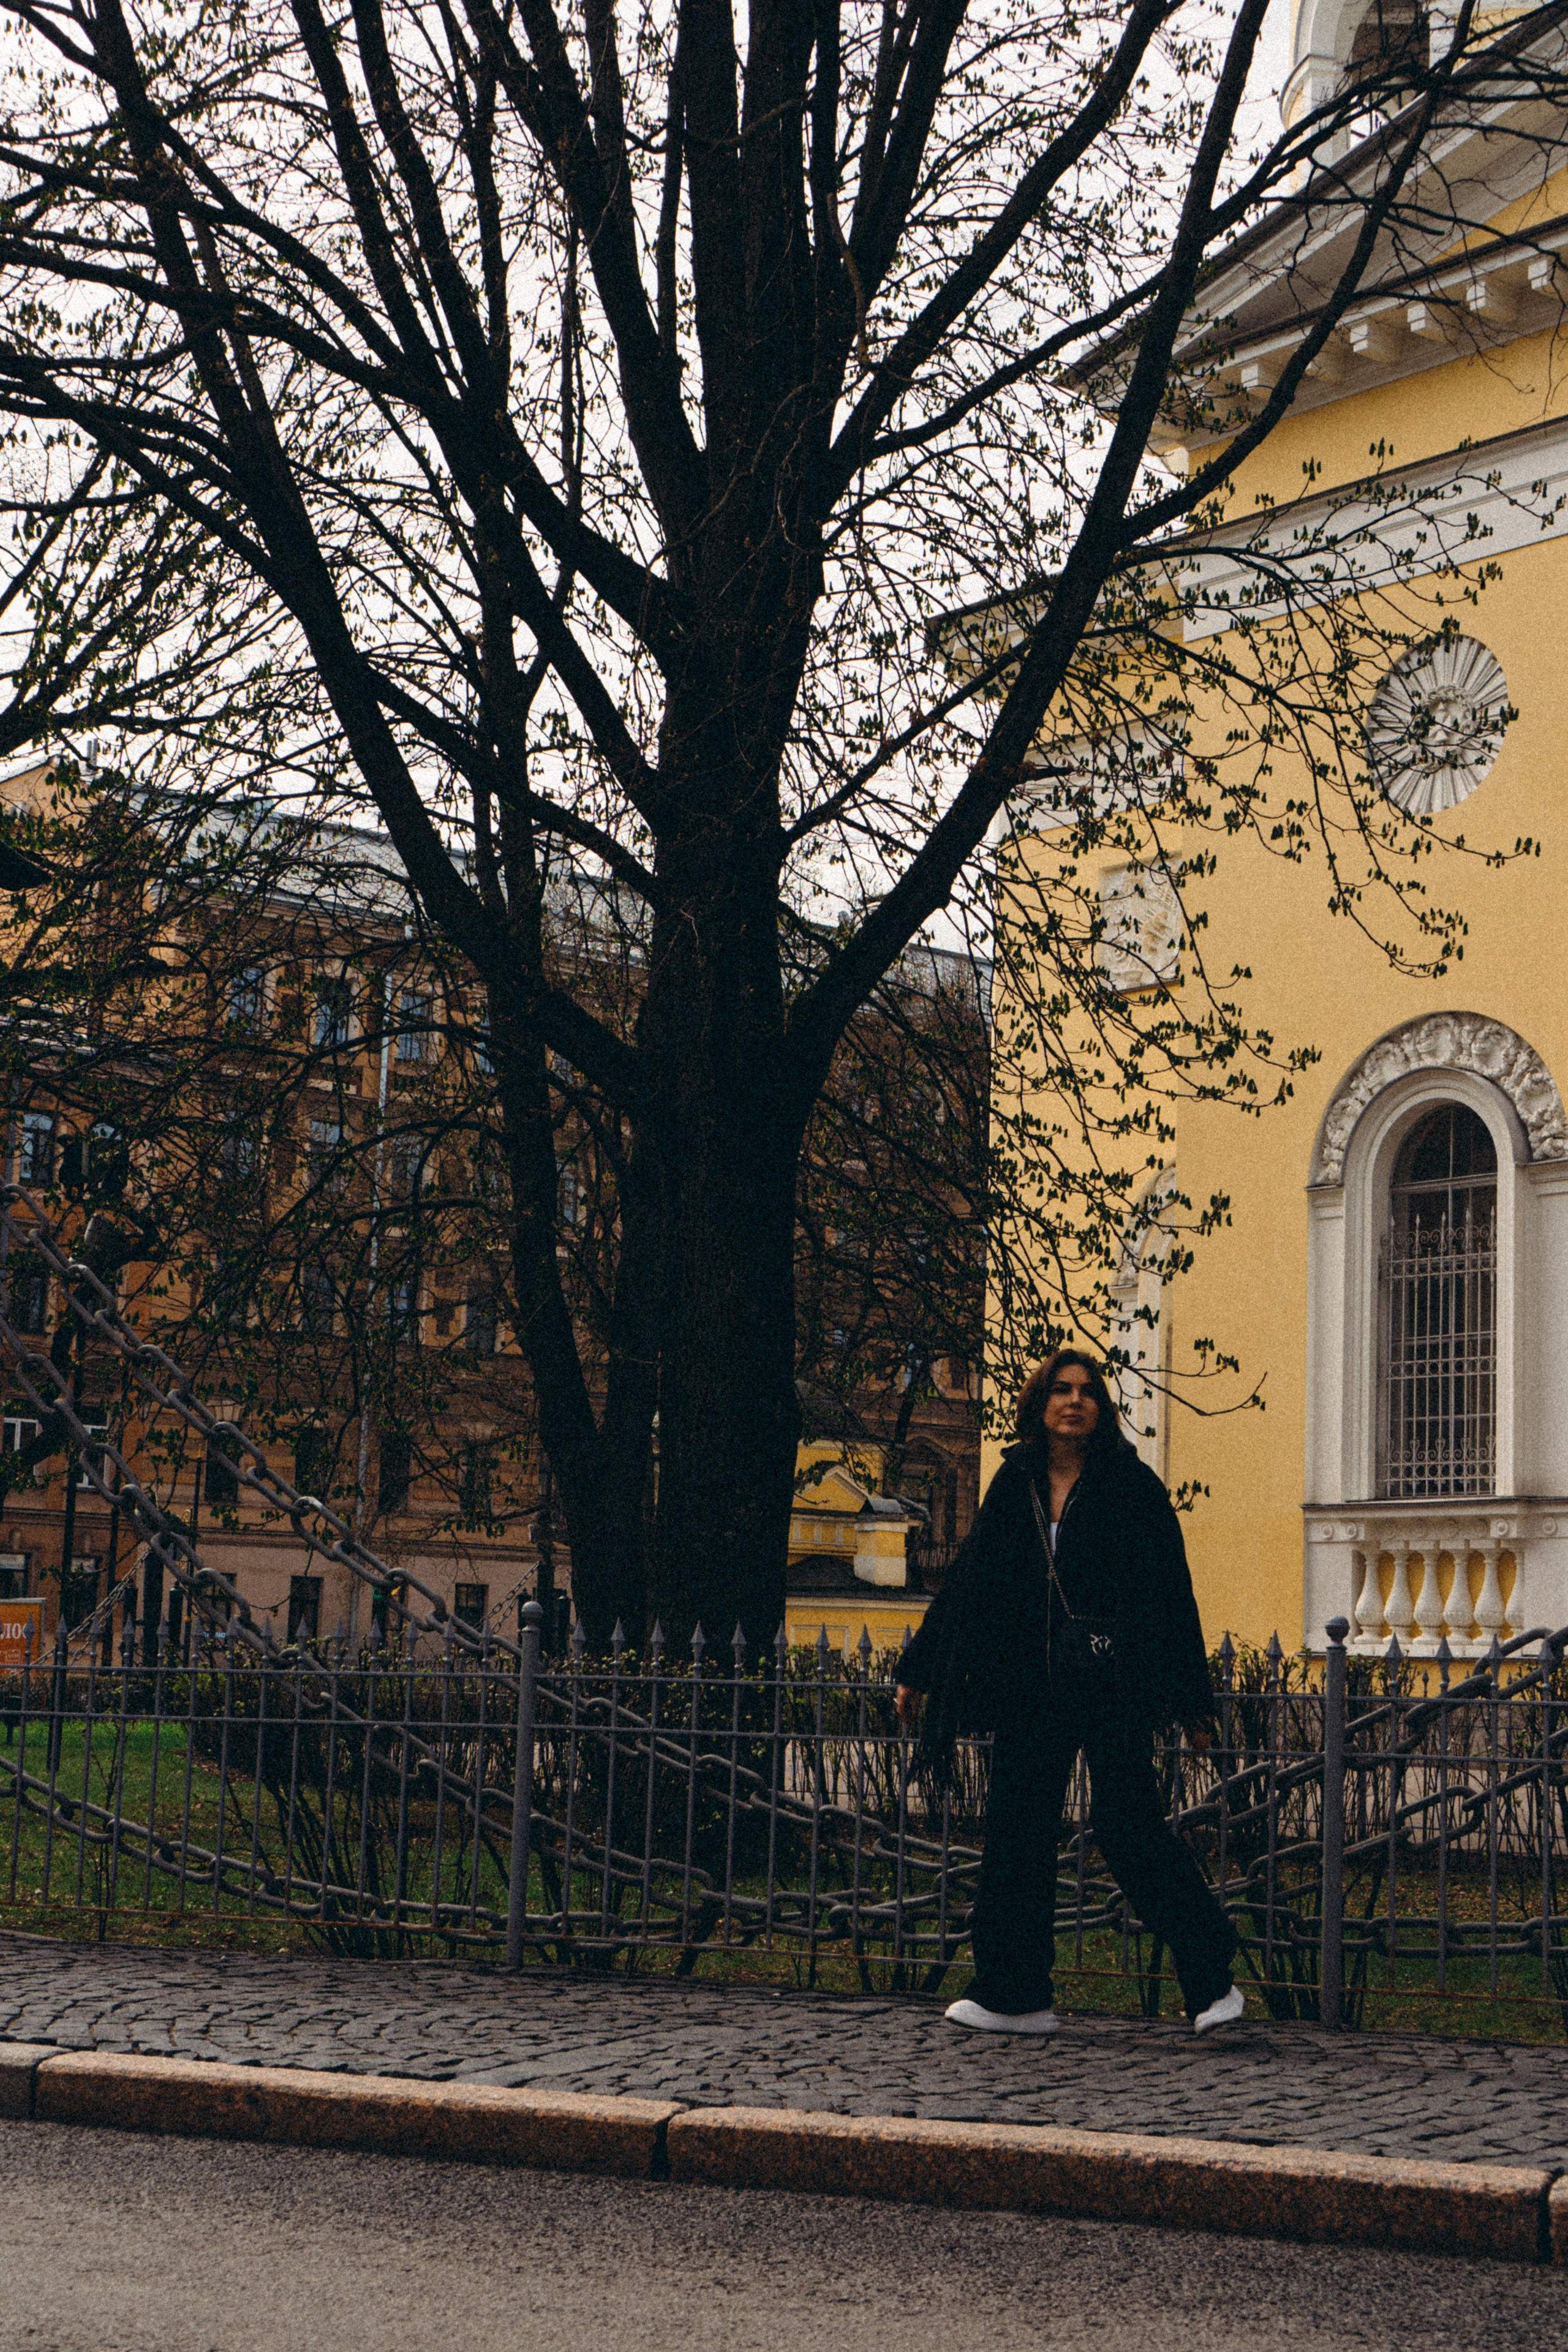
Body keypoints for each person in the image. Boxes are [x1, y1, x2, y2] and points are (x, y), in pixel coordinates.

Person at [895, 1349, 1244, 2037]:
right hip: (1031, 1687)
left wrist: (1190, 1699)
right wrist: (920, 1668)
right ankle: (1015, 1994)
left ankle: (1212, 1982)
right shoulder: (1015, 1481)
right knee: (1016, 1833)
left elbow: (1170, 1593)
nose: (1074, 1402)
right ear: (1040, 1402)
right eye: (1061, 1390)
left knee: (1128, 1829)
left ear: (1100, 1407)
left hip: (1112, 1686)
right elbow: (969, 1582)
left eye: (1087, 1392)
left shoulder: (1129, 1485)